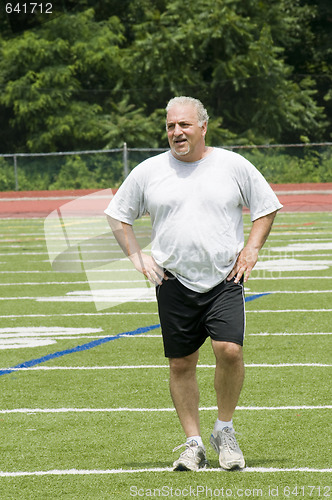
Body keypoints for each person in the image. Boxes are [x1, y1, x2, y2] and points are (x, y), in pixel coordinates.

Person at [105, 96, 283, 471]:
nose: (176, 132)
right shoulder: (149, 170)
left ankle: (225, 430)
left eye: (184, 125)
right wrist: (138, 257)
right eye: (170, 126)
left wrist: (251, 250)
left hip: (225, 277)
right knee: (181, 363)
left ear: (203, 126)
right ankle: (194, 443)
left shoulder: (232, 165)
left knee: (229, 350)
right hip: (173, 280)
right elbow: (118, 214)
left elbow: (266, 207)